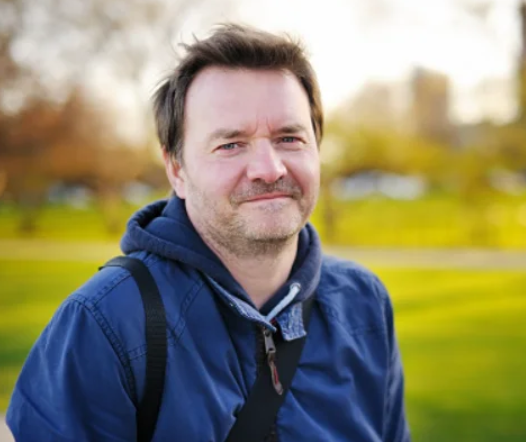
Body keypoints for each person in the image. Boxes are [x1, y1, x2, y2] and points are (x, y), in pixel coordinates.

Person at [7, 24, 410, 441]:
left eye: (289, 138)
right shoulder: (105, 322)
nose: (269, 169)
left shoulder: (364, 303)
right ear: (176, 170)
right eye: (230, 145)